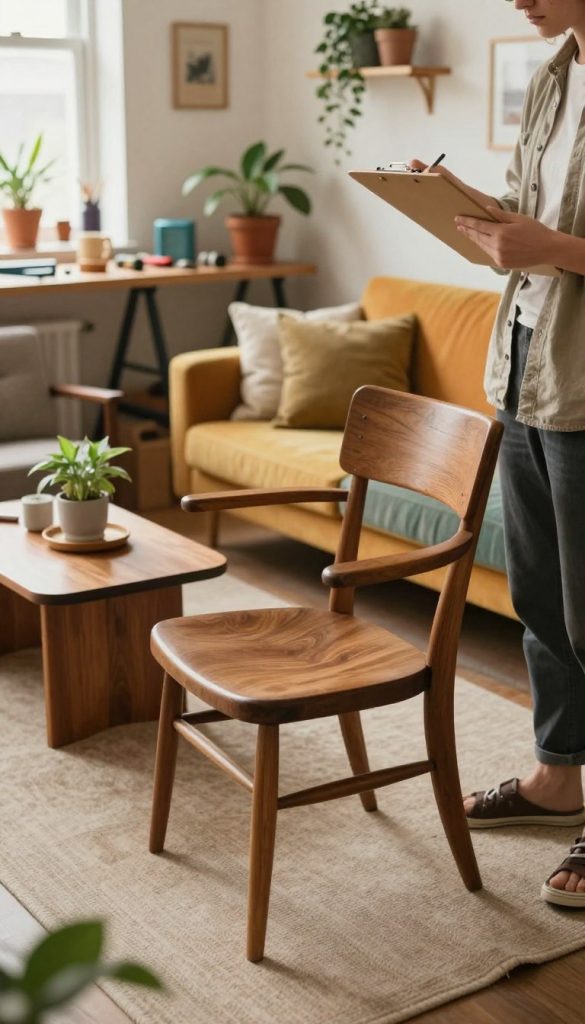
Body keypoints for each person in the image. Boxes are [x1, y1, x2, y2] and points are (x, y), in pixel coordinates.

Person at [413, 0, 585, 908]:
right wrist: (468, 213)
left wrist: (552, 247)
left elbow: (554, 240)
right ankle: (559, 775)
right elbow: (526, 217)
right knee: (539, 600)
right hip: (522, 366)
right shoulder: (555, 71)